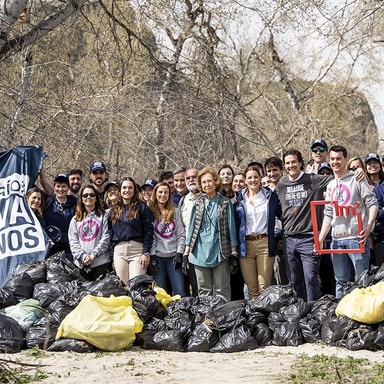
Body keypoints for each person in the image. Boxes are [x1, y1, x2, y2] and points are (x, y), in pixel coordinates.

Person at [318, 145, 378, 298]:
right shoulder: (331, 185)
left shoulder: (357, 178)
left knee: (363, 281)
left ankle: (363, 319)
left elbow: (372, 203)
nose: (335, 162)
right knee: (341, 282)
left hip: (356, 238)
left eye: (338, 159)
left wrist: (369, 225)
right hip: (337, 240)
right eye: (332, 159)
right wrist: (321, 237)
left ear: (345, 159)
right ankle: (341, 318)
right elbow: (329, 213)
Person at [275, 149, 330, 301]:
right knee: (294, 279)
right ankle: (300, 311)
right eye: (287, 163)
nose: (291, 165)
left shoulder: (313, 179)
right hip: (289, 238)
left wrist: (355, 173)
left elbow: (337, 179)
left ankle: (314, 310)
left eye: (294, 162)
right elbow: (278, 208)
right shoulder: (281, 184)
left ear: (300, 163)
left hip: (309, 237)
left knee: (311, 277)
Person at [184, 167, 238, 302]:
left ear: (215, 182)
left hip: (220, 250)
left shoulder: (225, 202)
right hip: (199, 252)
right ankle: (206, 319)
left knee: (222, 289)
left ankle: (223, 319)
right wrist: (186, 252)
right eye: (204, 182)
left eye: (210, 181)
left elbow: (231, 227)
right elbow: (191, 228)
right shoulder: (197, 202)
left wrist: (234, 252)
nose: (207, 185)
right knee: (204, 290)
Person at [235, 166, 280, 298]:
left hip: (264, 243)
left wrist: (279, 236)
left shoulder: (269, 196)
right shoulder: (239, 198)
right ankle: (255, 317)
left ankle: (265, 317)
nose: (253, 180)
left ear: (260, 178)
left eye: (256, 177)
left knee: (264, 287)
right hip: (245, 245)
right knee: (252, 289)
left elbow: (279, 215)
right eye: (250, 177)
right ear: (245, 180)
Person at [108, 177, 154, 284]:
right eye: (124, 188)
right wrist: (112, 257)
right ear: (120, 191)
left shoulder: (142, 207)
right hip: (119, 251)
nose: (127, 190)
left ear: (134, 190)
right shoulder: (114, 210)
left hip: (137, 251)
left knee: (136, 285)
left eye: (130, 188)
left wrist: (146, 252)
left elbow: (148, 231)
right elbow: (111, 234)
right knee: (122, 287)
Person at [149, 182, 186, 296]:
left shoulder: (175, 212)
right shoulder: (149, 212)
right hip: (158, 257)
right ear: (155, 194)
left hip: (173, 256)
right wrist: (152, 255)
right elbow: (150, 236)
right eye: (160, 192)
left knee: (180, 291)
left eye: (166, 192)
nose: (163, 195)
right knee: (160, 293)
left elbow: (181, 233)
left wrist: (180, 253)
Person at [68, 185, 112, 280]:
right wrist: (83, 256)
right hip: (81, 264)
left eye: (92, 195)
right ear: (81, 199)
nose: (88, 197)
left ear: (96, 198)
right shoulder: (75, 219)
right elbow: (73, 241)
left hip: (101, 263)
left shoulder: (104, 216)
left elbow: (106, 237)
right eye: (85, 195)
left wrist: (94, 255)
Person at [43, 174, 77, 261]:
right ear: (54, 187)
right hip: (50, 251)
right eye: (58, 186)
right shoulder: (47, 201)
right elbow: (32, 188)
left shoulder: (75, 203)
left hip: (70, 250)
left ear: (68, 188)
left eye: (64, 186)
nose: (60, 189)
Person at [178, 167, 200, 297]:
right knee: (193, 284)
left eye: (194, 177)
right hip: (188, 249)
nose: (191, 180)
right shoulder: (183, 201)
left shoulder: (207, 197)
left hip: (205, 248)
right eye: (188, 178)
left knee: (204, 286)